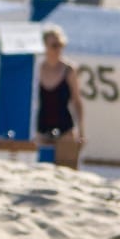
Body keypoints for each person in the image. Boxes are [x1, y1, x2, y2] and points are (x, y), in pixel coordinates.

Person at [36, 26, 85, 169]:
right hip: (43, 127)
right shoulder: (38, 68)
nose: (58, 49)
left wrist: (81, 131)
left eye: (61, 45)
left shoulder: (69, 70)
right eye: (54, 45)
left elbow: (77, 101)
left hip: (65, 128)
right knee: (42, 171)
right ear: (45, 46)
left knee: (67, 171)